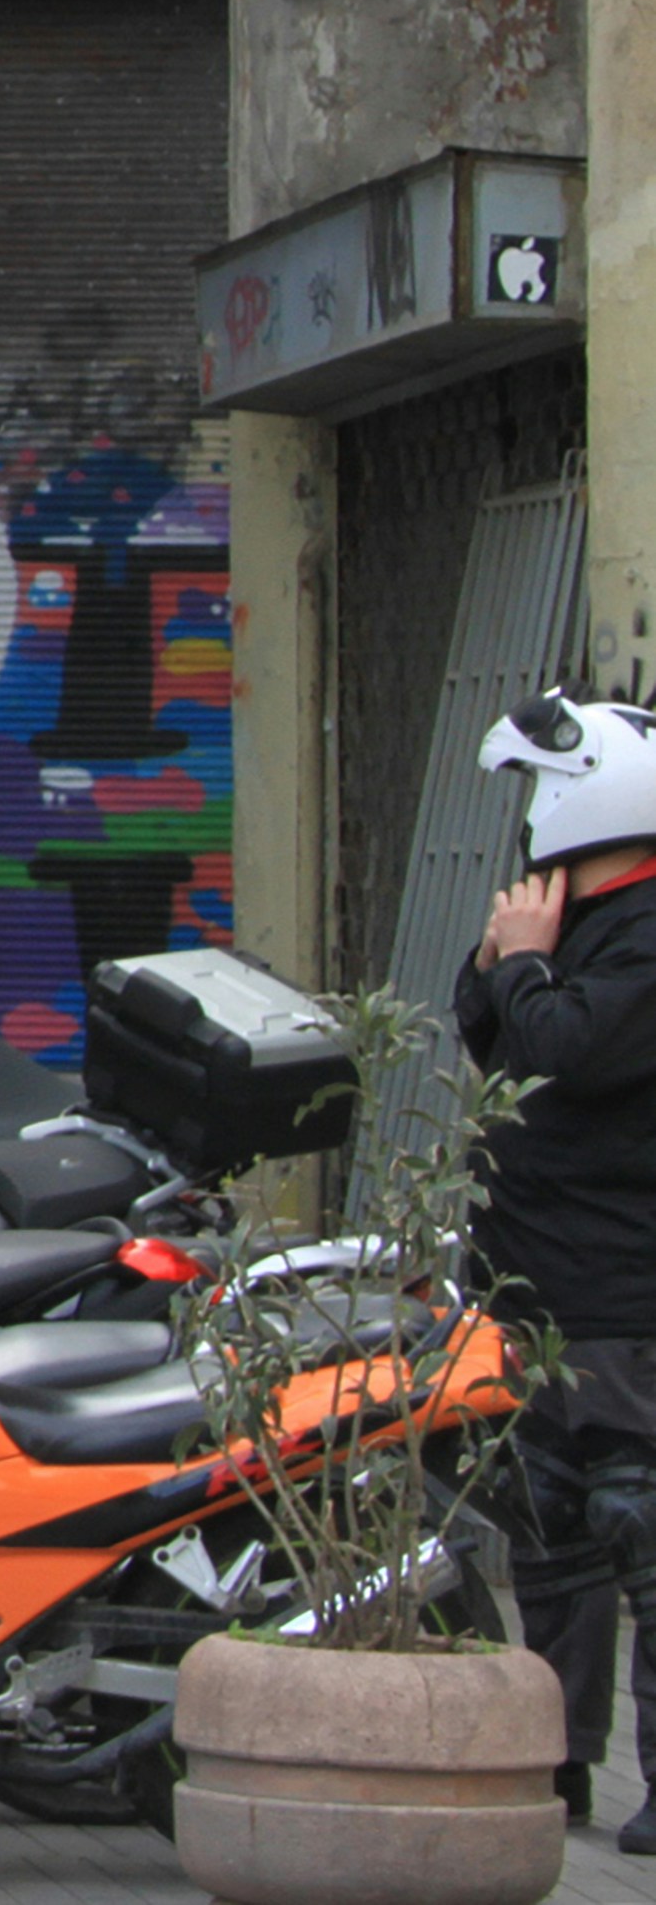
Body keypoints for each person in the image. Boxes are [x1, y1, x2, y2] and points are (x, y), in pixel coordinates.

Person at [470, 691, 656, 1847]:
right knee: (546, 1538)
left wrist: (525, 967)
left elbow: (557, 1052)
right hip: (526, 1283)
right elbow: (484, 1034)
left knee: (638, 1532)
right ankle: (559, 1762)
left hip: (616, 1292)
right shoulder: (565, 917)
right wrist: (500, 957)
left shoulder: (641, 933)